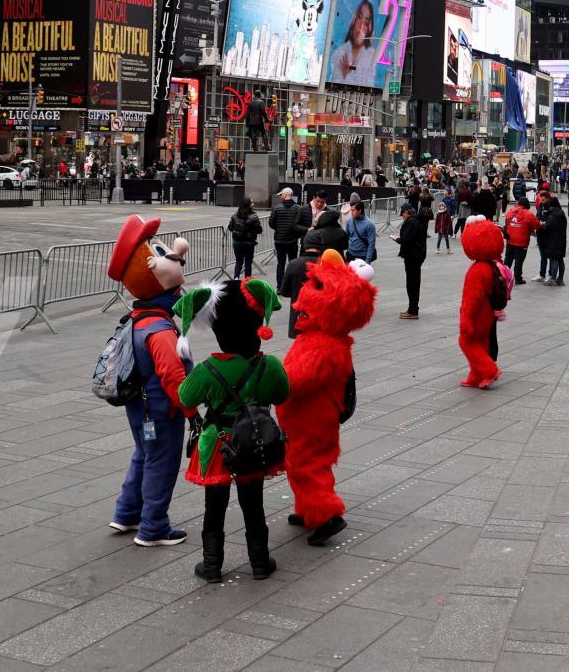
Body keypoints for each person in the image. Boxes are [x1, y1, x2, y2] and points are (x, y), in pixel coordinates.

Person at [175, 279, 289, 581]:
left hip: (218, 444)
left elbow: (185, 397)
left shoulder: (208, 370)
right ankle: (260, 562)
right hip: (253, 441)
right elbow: (281, 395)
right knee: (254, 504)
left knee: (214, 506)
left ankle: (211, 565)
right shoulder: (271, 366)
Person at [106, 216, 195, 547]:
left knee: (144, 454)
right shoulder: (159, 330)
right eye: (175, 289)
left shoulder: (137, 319)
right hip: (161, 409)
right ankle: (154, 527)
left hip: (139, 408)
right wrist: (191, 410)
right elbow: (173, 376)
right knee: (161, 461)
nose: (179, 293)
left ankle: (127, 513)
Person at [279, 252, 375, 545]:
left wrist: (272, 378)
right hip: (311, 418)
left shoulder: (322, 345)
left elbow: (297, 380)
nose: (300, 305)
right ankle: (309, 508)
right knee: (305, 463)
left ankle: (327, 515)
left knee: (307, 464)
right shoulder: (324, 338)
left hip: (311, 418)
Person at [458, 220, 506, 386]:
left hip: (478, 313)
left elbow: (471, 299)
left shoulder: (477, 270)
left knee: (466, 342)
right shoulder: (492, 265)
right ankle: (476, 375)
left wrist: (466, 320)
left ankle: (489, 370)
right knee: (482, 342)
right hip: (488, 312)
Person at [328, 0, 380, 88]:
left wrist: (347, 74)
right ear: (354, 20)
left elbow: (369, 86)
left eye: (366, 22)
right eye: (359, 17)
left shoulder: (371, 56)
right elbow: (332, 86)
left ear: (369, 29)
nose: (361, 26)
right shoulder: (339, 53)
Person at [394, 203, 429, 319]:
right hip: (416, 256)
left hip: (412, 256)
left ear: (407, 212)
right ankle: (412, 308)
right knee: (413, 283)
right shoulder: (416, 221)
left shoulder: (412, 222)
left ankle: (413, 310)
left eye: (403, 213)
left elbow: (406, 239)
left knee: (412, 283)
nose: (402, 216)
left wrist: (397, 239)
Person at [269, 188, 309, 286]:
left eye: (281, 195)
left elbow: (271, 223)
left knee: (280, 264)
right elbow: (300, 223)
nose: (281, 196)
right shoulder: (297, 208)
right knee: (293, 263)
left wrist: (279, 229)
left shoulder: (277, 208)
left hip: (279, 240)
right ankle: (292, 284)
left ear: (286, 195)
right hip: (292, 240)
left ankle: (280, 286)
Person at [502, 198, 539, 283]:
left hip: (510, 240)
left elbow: (507, 222)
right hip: (522, 242)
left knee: (508, 260)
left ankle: (503, 276)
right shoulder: (529, 214)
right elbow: (537, 225)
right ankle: (518, 278)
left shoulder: (510, 212)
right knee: (519, 261)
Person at [537, 195, 568, 286]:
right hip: (561, 239)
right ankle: (560, 279)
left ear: (552, 205)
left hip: (553, 240)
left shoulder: (553, 215)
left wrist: (542, 224)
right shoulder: (561, 213)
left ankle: (553, 279)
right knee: (560, 259)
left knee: (554, 259)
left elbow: (547, 227)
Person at [228, 198, 262, 279]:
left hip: (237, 243)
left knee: (238, 262)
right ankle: (247, 281)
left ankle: (236, 279)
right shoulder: (254, 217)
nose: (253, 204)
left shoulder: (235, 216)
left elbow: (230, 227)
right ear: (248, 205)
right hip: (249, 243)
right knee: (248, 263)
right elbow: (259, 230)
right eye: (251, 203)